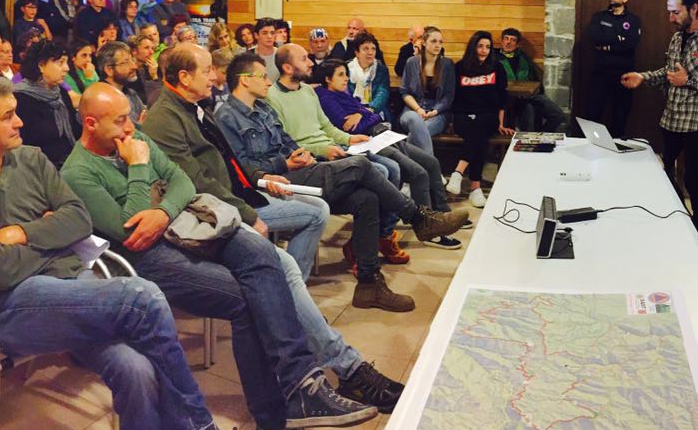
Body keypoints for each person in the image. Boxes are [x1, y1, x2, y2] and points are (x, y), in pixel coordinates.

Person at [0, 78, 241, 430]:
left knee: (136, 369)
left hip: (73, 290)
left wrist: (21, 234)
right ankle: (200, 429)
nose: (20, 123)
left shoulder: (31, 158)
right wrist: (50, 234)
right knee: (142, 297)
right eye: (9, 116)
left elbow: (79, 220)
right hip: (10, 307)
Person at [62, 84, 386, 428]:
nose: (130, 127)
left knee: (265, 254)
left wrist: (164, 210)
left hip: (186, 225)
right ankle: (274, 419)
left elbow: (183, 182)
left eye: (129, 117)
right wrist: (140, 168)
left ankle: (301, 383)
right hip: (147, 259)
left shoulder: (135, 137)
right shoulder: (78, 172)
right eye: (120, 120)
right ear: (91, 123)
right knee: (246, 299)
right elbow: (133, 236)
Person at [218, 53, 458, 311]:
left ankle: (368, 285)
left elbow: (287, 141)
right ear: (244, 80)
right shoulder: (227, 117)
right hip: (273, 182)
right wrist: (286, 163)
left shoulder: (263, 108)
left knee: (368, 199)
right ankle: (418, 216)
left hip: (298, 169)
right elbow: (242, 168)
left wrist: (301, 153)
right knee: (362, 165)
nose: (267, 81)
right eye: (262, 76)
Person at [144, 45, 322, 281]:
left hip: (234, 194)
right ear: (185, 77)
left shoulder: (194, 106)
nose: (214, 77)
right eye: (207, 71)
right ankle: (288, 293)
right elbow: (195, 182)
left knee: (318, 209)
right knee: (286, 264)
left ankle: (289, 293)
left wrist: (260, 176)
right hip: (212, 209)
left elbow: (229, 160)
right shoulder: (165, 118)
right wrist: (247, 215)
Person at [266, 46, 467, 252]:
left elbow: (327, 126)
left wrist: (350, 138)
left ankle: (388, 232)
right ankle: (411, 222)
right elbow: (286, 141)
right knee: (387, 170)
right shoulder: (272, 97)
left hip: (340, 146)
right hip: (314, 158)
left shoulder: (308, 91)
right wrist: (324, 148)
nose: (310, 63)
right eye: (304, 59)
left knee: (406, 167)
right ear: (288, 67)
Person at [621, 0, 698, 241]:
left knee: (695, 182)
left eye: (676, 12)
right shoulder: (677, 37)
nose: (670, 18)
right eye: (669, 12)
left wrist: (690, 81)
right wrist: (643, 77)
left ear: (694, 9)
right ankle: (674, 226)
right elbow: (669, 74)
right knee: (665, 176)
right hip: (672, 119)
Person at [446, 31, 514, 208]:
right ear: (473, 47)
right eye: (480, 46)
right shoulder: (460, 67)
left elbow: (502, 98)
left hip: (488, 115)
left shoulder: (497, 67)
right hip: (463, 114)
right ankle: (475, 188)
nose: (484, 50)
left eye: (488, 47)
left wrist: (500, 123)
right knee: (479, 138)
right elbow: (454, 96)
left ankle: (458, 172)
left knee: (479, 130)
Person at [585, 0, 642, 138]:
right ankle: (592, 153)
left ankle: (617, 153)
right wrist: (618, 39)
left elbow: (631, 44)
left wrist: (607, 45)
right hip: (600, 74)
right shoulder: (599, 17)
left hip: (624, 76)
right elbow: (596, 37)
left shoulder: (633, 20)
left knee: (620, 117)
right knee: (593, 115)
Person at [13, 41, 80, 167]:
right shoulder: (20, 99)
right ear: (41, 65)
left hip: (69, 161)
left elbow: (75, 130)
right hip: (40, 166)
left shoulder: (61, 93)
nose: (67, 68)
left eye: (66, 62)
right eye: (60, 62)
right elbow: (26, 145)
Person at [496, 28, 568, 133]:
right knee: (528, 111)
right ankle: (528, 141)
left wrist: (538, 92)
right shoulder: (495, 59)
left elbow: (534, 78)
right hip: (509, 98)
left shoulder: (524, 58)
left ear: (517, 44)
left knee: (558, 115)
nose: (508, 42)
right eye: (506, 39)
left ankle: (539, 137)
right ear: (502, 41)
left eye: (512, 40)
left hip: (530, 95)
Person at [398, 26, 454, 157]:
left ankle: (412, 169)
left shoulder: (447, 64)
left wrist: (435, 111)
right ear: (424, 42)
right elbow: (405, 92)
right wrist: (418, 110)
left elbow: (449, 95)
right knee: (414, 120)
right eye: (434, 41)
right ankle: (433, 171)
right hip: (413, 109)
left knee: (420, 130)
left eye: (440, 42)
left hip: (437, 113)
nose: (437, 45)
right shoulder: (412, 62)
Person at [93, 40, 147, 123]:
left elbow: (147, 118)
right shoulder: (101, 101)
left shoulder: (131, 93)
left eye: (132, 60)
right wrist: (140, 127)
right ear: (109, 70)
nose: (134, 66)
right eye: (125, 62)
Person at [344, 32, 391, 123]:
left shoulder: (381, 69)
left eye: (373, 49)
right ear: (357, 53)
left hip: (374, 110)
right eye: (365, 49)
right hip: (351, 110)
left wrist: (369, 109)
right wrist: (357, 111)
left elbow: (383, 93)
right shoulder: (346, 69)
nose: (370, 52)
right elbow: (345, 94)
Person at [248, 18, 281, 84]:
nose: (269, 36)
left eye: (272, 33)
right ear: (256, 35)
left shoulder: (281, 54)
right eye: (264, 33)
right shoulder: (248, 56)